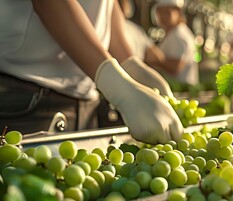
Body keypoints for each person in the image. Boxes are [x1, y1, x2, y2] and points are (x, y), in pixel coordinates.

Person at [0, 0, 182, 144]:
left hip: (86, 100)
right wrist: (115, 83)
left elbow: (106, 6)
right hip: (27, 98)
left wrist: (128, 64)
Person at [149, 0, 199, 86]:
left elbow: (175, 68)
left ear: (178, 12)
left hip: (182, 91)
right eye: (160, 12)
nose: (162, 17)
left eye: (167, 12)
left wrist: (155, 59)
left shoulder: (179, 36)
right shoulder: (172, 33)